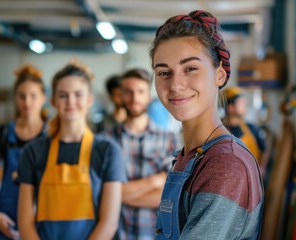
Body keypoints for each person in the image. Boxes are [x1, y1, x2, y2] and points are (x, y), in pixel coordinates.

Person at [150, 10, 264, 239]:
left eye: (190, 68)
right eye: (164, 72)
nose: (175, 85)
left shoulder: (225, 163)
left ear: (219, 75)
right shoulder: (190, 156)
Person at [17, 60, 125, 240]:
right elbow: (25, 223)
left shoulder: (108, 151)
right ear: (53, 101)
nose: (70, 101)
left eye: (78, 94)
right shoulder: (33, 152)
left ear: (89, 99)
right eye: (63, 95)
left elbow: (109, 223)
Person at [107, 68, 181, 240]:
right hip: (116, 234)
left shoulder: (169, 139)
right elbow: (100, 192)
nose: (134, 98)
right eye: (128, 92)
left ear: (148, 96)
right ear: (120, 96)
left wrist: (116, 196)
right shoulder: (106, 141)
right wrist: (154, 181)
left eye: (140, 91)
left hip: (155, 234)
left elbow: (171, 197)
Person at [0, 64, 47, 240]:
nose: (27, 102)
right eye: (22, 96)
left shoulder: (51, 135)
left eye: (33, 96)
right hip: (5, 217)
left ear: (43, 98)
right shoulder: (2, 135)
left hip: (40, 216)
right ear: (15, 98)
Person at [224, 86, 266, 165]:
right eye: (241, 103)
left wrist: (262, 167)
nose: (245, 107)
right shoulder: (221, 131)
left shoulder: (251, 128)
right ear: (230, 108)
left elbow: (264, 150)